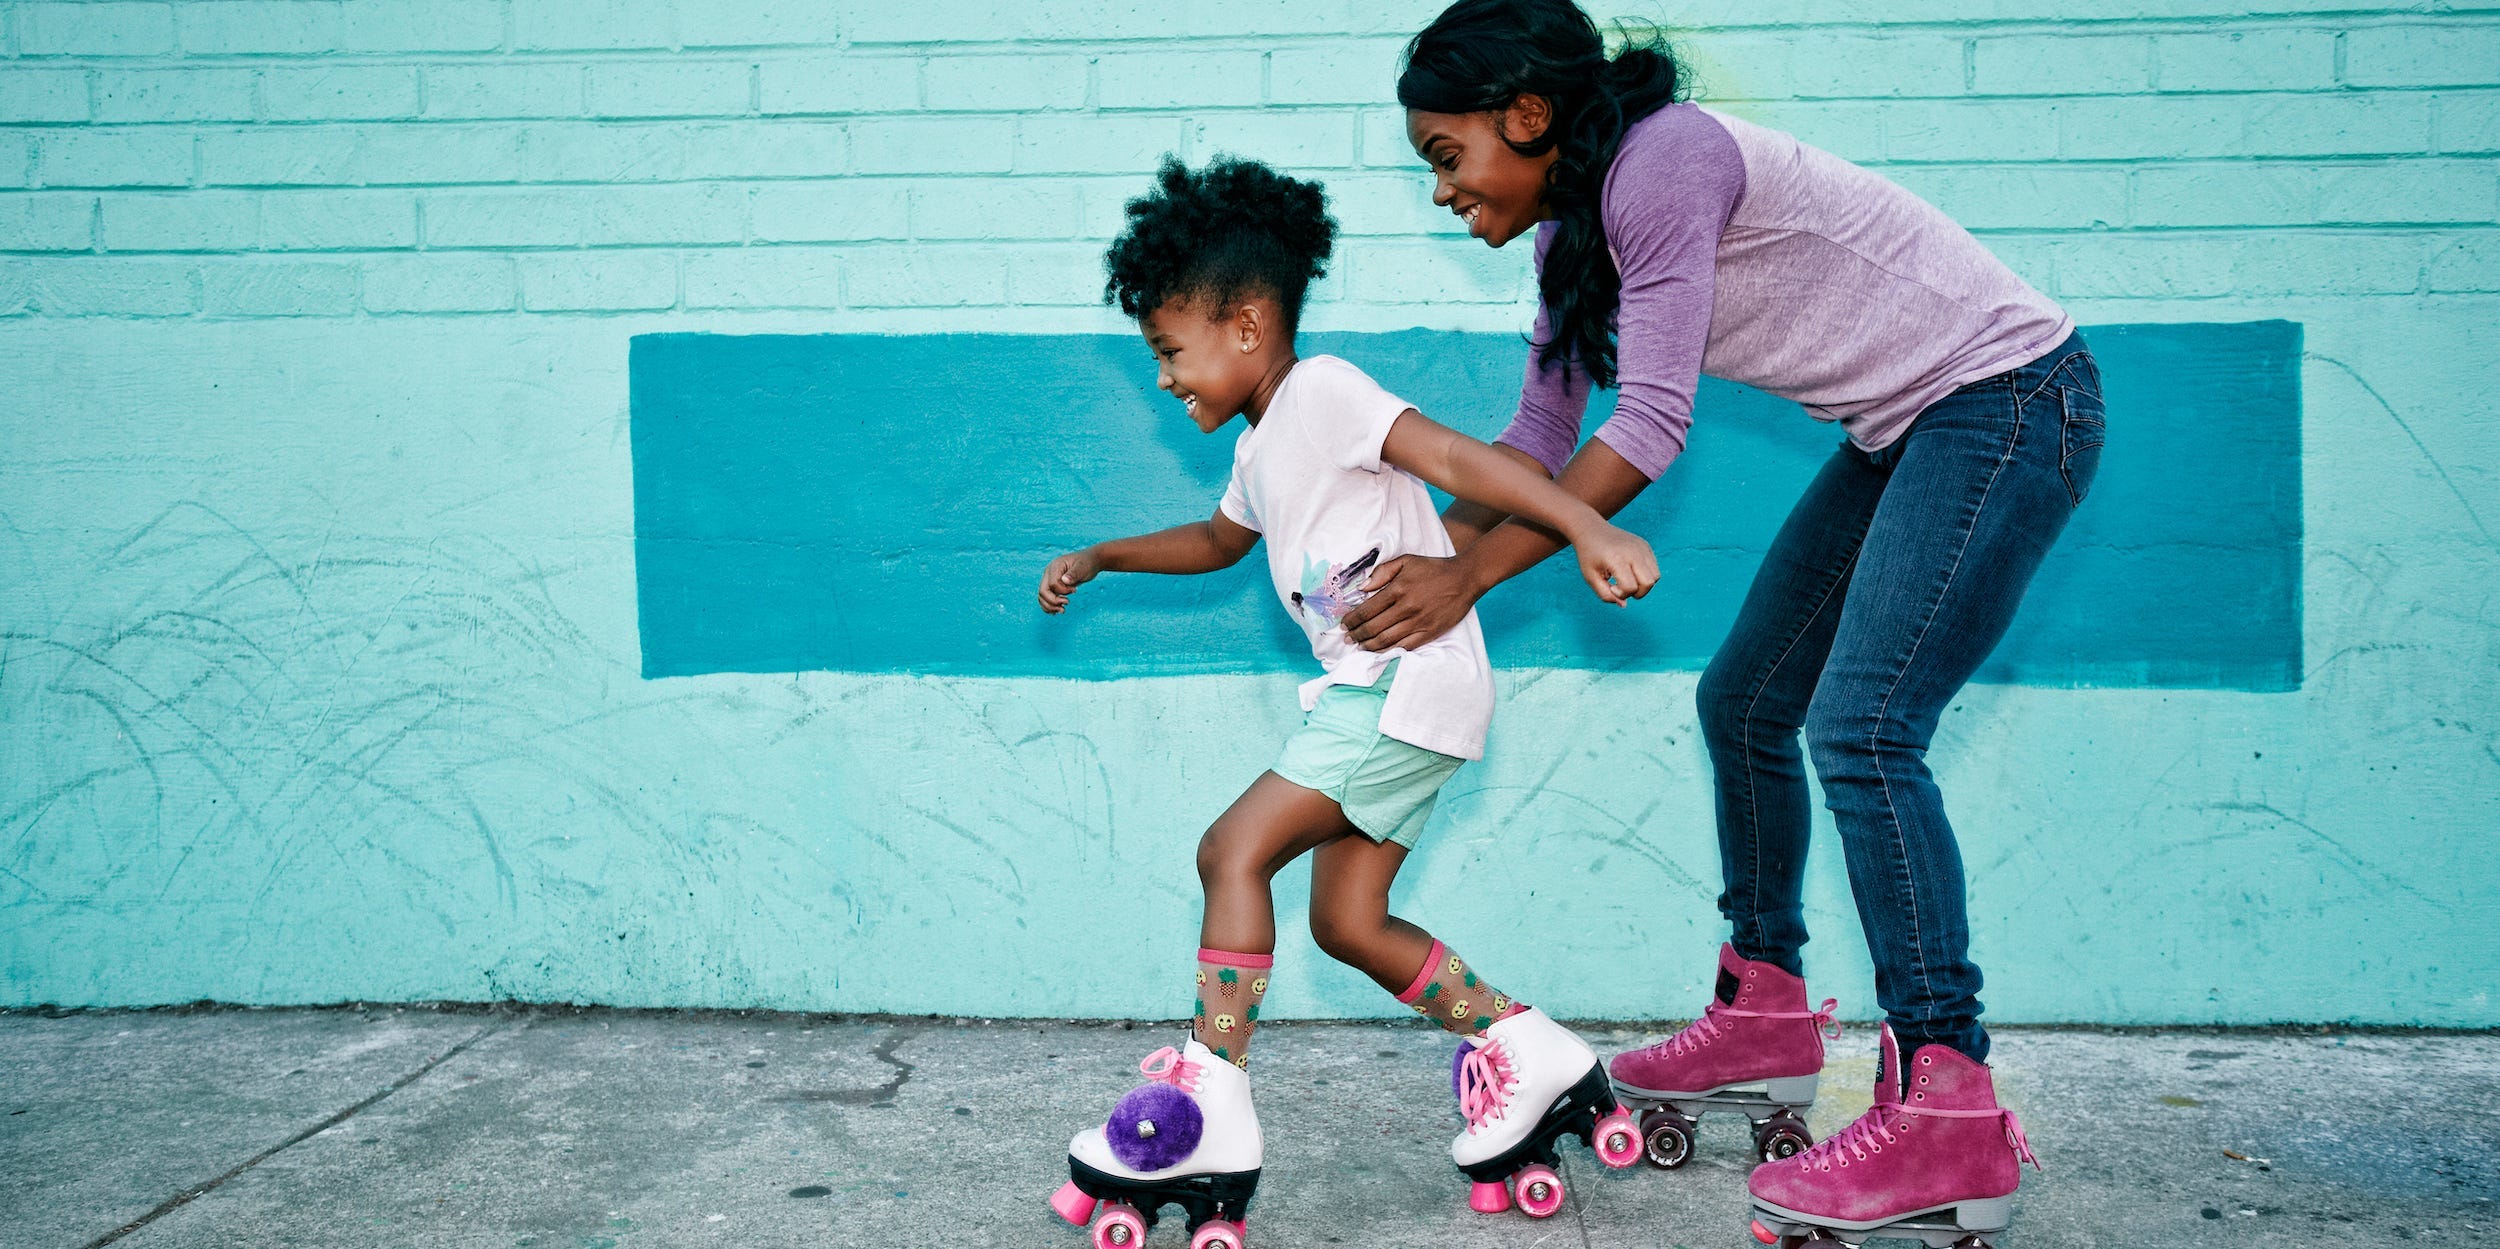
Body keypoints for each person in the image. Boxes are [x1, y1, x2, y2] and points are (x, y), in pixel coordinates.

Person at [1365, 1, 2078, 1242]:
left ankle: (1950, 1100)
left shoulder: (1667, 163)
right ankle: (1765, 1007)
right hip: (1907, 429)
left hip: (2005, 401)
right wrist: (1415, 545)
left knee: (1862, 730)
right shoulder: (1570, 244)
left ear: (1527, 116)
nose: (1441, 192)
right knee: (1744, 701)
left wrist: (1465, 581)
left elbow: (1645, 429)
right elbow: (1536, 444)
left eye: (1445, 155)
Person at [1041, 155, 1660, 1245]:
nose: (1164, 378)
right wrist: (1104, 555)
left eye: (1169, 351)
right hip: (1384, 696)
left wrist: (1585, 526)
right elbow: (1218, 540)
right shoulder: (1259, 442)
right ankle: (1531, 1051)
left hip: (1401, 687)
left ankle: (1210, 1103)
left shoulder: (1322, 394)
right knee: (1345, 922)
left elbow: (1459, 456)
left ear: (1243, 325)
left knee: (1230, 850)